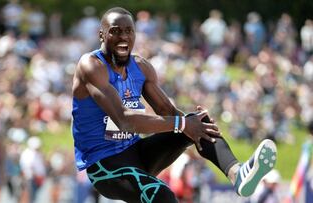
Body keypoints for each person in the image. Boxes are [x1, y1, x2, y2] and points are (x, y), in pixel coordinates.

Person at [71, 7, 277, 203]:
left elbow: (168, 112)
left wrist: (194, 128)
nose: (123, 37)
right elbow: (124, 121)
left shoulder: (141, 67)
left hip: (136, 153)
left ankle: (237, 173)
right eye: (115, 31)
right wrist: (183, 124)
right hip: (105, 166)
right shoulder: (92, 66)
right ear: (101, 35)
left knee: (197, 122)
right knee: (161, 195)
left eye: (128, 31)